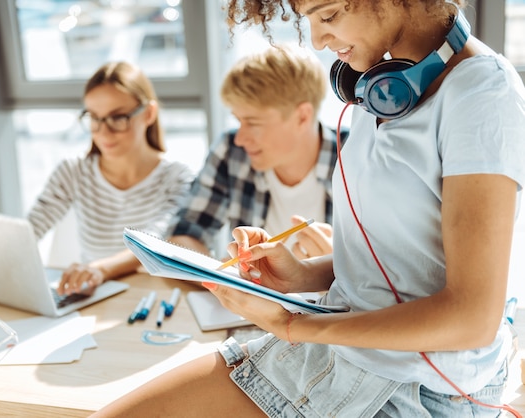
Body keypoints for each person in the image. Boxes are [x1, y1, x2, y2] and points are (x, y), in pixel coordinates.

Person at [91, 1, 525, 417]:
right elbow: (408, 262)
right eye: (309, 20)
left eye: (329, 15)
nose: (317, 40)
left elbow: (471, 319)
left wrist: (294, 326)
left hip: (415, 389)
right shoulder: (382, 89)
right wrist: (303, 273)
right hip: (335, 354)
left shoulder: (482, 94)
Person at [27, 61, 193, 296]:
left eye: (117, 118)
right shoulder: (73, 171)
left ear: (148, 113)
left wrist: (99, 270)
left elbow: (156, 242)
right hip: (91, 296)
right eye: (94, 118)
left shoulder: (178, 178)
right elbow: (30, 231)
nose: (103, 132)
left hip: (152, 299)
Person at [168, 44, 346, 261]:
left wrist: (338, 273)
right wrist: (221, 276)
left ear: (302, 117)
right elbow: (182, 235)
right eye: (239, 120)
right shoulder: (231, 152)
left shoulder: (357, 156)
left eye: (252, 122)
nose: (240, 138)